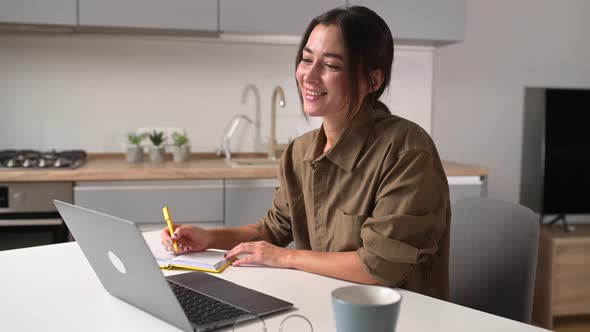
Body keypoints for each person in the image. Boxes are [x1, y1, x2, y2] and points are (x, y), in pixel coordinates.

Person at [161, 6, 451, 300]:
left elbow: (377, 267)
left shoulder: (406, 149)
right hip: (324, 305)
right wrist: (208, 238)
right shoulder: (300, 151)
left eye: (331, 66)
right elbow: (271, 231)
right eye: (306, 59)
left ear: (372, 81)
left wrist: (285, 257)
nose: (308, 76)